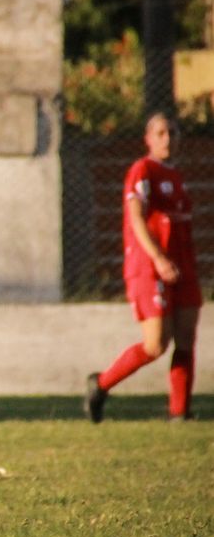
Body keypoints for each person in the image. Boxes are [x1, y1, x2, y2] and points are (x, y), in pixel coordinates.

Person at [85, 112, 201, 422]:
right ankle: (101, 384)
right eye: (160, 133)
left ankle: (180, 413)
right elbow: (135, 217)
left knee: (187, 337)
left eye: (172, 133)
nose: (167, 139)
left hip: (182, 266)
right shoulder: (142, 170)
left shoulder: (176, 176)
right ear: (147, 139)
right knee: (155, 345)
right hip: (150, 267)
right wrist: (158, 258)